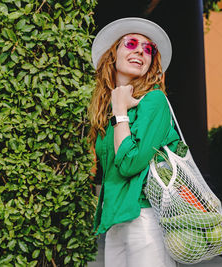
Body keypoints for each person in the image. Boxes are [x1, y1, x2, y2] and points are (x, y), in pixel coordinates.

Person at [88, 17, 180, 267]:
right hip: (116, 218)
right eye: (131, 43)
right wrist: (118, 108)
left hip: (145, 218)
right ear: (113, 54)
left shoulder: (154, 101)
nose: (140, 50)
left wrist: (120, 111)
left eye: (148, 48)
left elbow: (129, 164)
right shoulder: (108, 111)